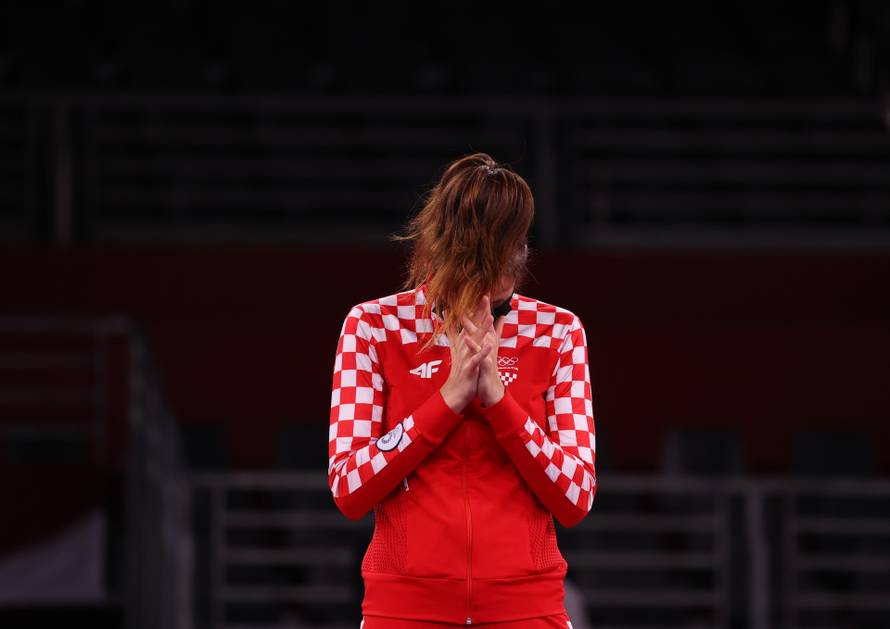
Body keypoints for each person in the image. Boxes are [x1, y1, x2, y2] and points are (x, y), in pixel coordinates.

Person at [327, 152, 596, 628]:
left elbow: (575, 497)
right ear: (445, 249)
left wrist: (499, 401)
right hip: (403, 613)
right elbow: (350, 487)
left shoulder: (557, 331)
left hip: (528, 612)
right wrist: (448, 400)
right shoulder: (373, 326)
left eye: (514, 249)